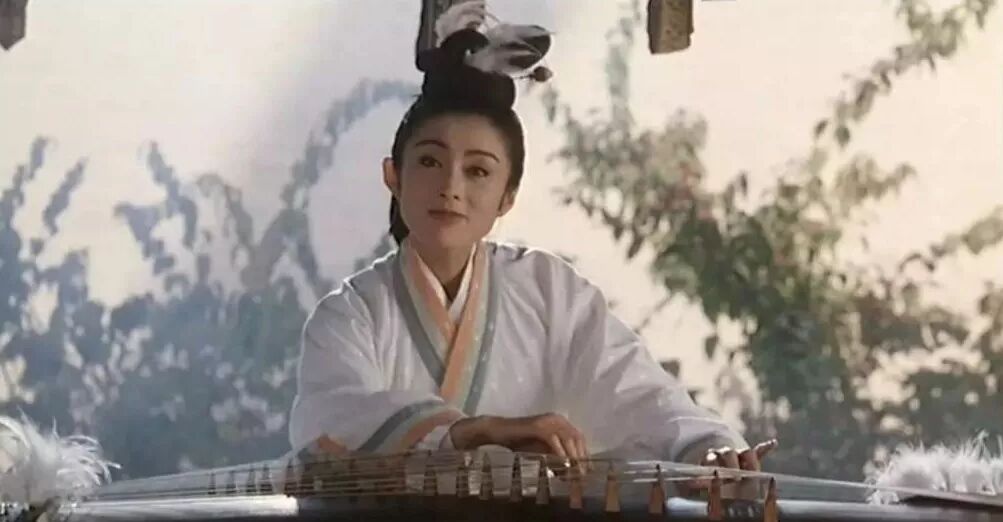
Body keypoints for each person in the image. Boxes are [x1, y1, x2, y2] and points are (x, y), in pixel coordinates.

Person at [288, 2, 774, 480]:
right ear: (393, 176)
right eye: (431, 162)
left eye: (478, 171)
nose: (451, 187)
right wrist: (480, 431)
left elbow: (638, 393)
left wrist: (704, 447)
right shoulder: (350, 314)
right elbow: (332, 417)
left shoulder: (549, 291)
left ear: (507, 197)